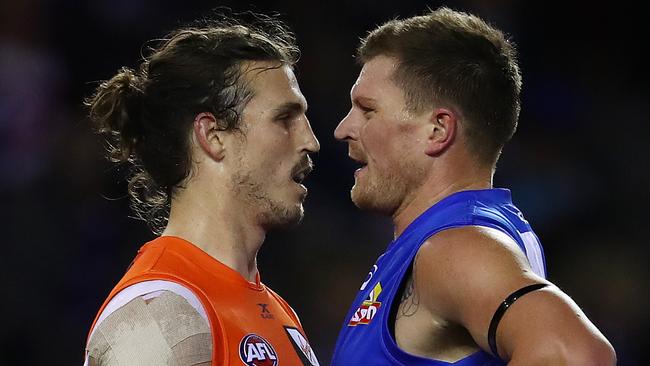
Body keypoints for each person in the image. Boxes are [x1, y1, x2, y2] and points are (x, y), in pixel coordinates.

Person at [332, 7, 616, 366]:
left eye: (367, 110)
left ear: (437, 130)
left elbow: (575, 353)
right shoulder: (471, 232)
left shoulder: (456, 247)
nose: (343, 128)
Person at [83, 15, 321, 366]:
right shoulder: (161, 314)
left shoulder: (280, 314)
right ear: (212, 136)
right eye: (285, 119)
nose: (310, 141)